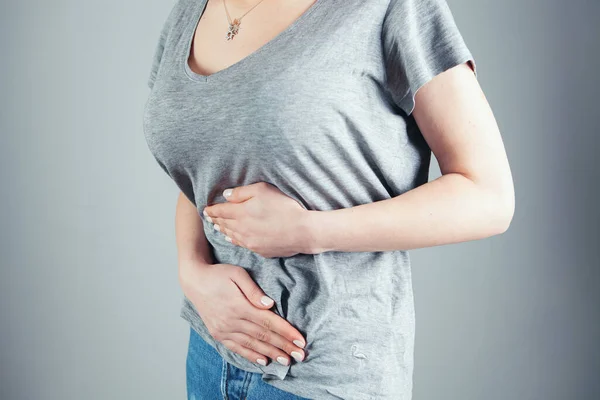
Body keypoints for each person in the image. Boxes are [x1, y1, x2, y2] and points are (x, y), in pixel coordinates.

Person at [142, 0, 514, 398]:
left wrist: (309, 231)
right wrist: (192, 271)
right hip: (211, 351)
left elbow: (488, 196)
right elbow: (204, 168)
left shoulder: (391, 7)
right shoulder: (191, 9)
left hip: (327, 369)